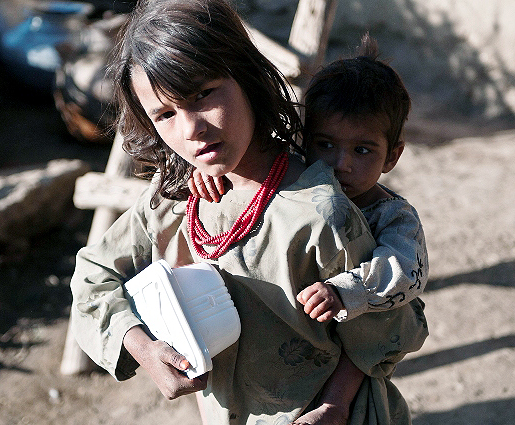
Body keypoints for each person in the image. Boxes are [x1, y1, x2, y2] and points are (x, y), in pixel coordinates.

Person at [69, 1, 428, 425]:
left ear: (246, 75)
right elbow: (93, 276)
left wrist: (335, 404)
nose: (191, 130)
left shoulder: (319, 214)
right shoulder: (176, 197)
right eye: (165, 114)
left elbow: (390, 326)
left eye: (203, 95)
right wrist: (143, 348)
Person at [189, 34, 428, 424]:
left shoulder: (393, 217)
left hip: (358, 365)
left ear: (393, 156)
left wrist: (344, 291)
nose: (340, 163)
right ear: (304, 141)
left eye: (362, 150)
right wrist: (203, 172)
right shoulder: (293, 188)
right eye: (326, 144)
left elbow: (404, 272)